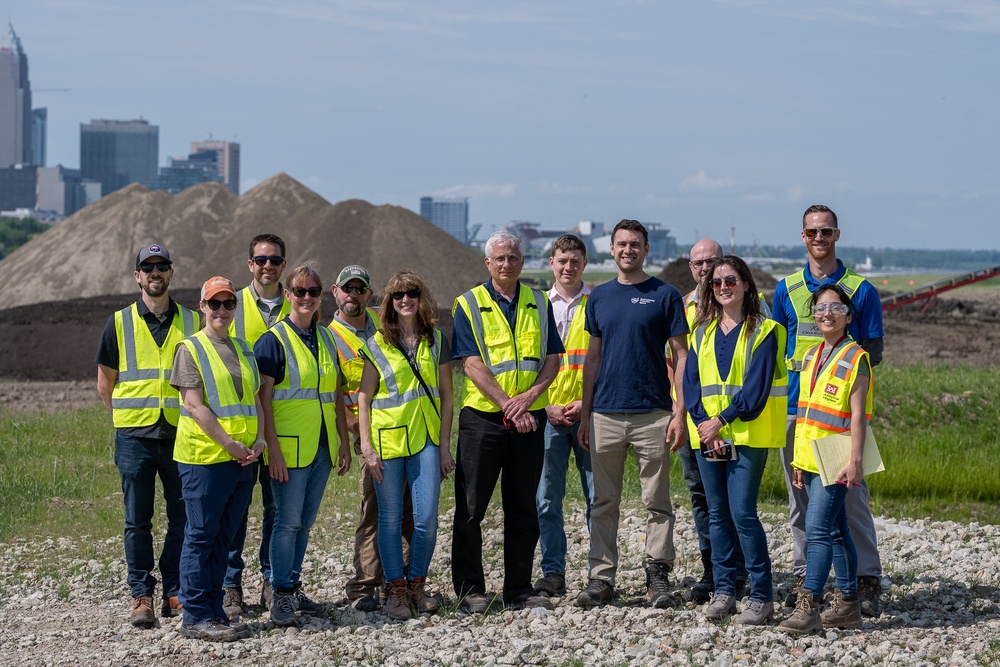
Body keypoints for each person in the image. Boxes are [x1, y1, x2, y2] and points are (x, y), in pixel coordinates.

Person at [772, 204, 885, 615]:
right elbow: (778, 346)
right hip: (797, 412)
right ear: (802, 236)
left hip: (840, 417)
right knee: (801, 502)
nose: (818, 238)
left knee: (851, 500)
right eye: (811, 232)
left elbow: (872, 351)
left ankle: (865, 580)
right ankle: (809, 577)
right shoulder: (785, 289)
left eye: (826, 231)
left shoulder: (861, 290)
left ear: (837, 235)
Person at [576, 220, 689, 609]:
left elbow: (681, 355)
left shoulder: (665, 295)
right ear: (611, 249)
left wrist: (679, 411)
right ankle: (601, 577)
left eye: (635, 244)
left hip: (653, 413)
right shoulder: (599, 297)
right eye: (622, 244)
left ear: (646, 249)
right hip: (605, 413)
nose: (628, 250)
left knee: (657, 501)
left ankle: (657, 573)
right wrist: (585, 413)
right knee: (603, 502)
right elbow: (592, 358)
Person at [451, 229, 563, 612]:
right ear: (488, 262)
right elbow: (471, 363)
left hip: (529, 420)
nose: (506, 263)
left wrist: (528, 400)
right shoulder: (468, 303)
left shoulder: (539, 301)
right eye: (499, 258)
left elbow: (552, 360)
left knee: (523, 508)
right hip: (483, 421)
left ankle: (518, 589)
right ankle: (470, 590)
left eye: (513, 257)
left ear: (522, 261)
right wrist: (508, 405)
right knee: (471, 509)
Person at [683, 256, 787, 625]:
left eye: (730, 280)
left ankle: (761, 596)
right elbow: (691, 385)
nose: (723, 287)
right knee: (717, 515)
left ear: (745, 284)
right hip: (708, 436)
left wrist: (720, 421)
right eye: (716, 282)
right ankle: (724, 591)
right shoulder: (700, 332)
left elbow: (755, 390)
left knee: (743, 514)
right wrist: (703, 424)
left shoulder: (766, 330)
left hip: (746, 435)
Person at [95, 243, 195, 627]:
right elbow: (105, 384)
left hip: (180, 434)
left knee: (183, 516)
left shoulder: (192, 321)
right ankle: (141, 595)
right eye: (148, 267)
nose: (155, 272)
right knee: (137, 521)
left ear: (171, 272)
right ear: (137, 275)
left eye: (162, 266)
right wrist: (126, 420)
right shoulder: (118, 323)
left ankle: (175, 590)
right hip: (134, 438)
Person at [255, 265, 352, 625]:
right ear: (289, 295)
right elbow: (263, 400)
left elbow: (335, 394)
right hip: (289, 449)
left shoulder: (326, 338)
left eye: (313, 291)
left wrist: (343, 442)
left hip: (322, 446)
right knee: (286, 522)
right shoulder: (273, 340)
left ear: (321, 295)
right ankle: (280, 594)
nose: (307, 297)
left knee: (305, 523)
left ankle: (292, 587)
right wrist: (273, 451)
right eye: (299, 291)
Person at [171, 276, 265, 641]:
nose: (222, 310)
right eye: (214, 303)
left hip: (241, 459)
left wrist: (258, 442)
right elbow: (194, 405)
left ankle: (214, 610)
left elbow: (254, 399)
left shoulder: (243, 348)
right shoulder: (190, 349)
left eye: (228, 303)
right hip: (206, 459)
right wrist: (229, 444)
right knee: (201, 536)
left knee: (224, 537)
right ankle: (195, 615)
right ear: (202, 307)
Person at [357, 271, 455, 620]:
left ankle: (417, 584)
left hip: (426, 438)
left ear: (421, 297)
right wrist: (367, 448)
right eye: (398, 295)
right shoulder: (377, 343)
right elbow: (364, 398)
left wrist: (445, 446)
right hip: (388, 442)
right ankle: (395, 590)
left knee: (426, 518)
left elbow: (447, 397)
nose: (405, 300)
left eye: (412, 293)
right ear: (390, 302)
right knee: (389, 519)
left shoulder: (437, 340)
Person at [778, 284, 873, 634]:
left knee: (817, 528)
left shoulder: (856, 357)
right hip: (810, 455)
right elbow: (806, 414)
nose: (826, 314)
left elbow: (859, 415)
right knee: (836, 529)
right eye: (820, 309)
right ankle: (847, 605)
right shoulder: (812, 356)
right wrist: (798, 461)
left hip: (837, 453)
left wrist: (855, 460)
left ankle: (809, 606)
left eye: (835, 308)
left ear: (848, 316)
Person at [330, 265, 414, 613]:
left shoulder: (385, 323)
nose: (353, 295)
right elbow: (334, 394)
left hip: (402, 432)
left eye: (360, 289)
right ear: (335, 292)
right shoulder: (329, 338)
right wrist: (356, 435)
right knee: (374, 513)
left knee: (407, 511)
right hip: (368, 437)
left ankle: (399, 582)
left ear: (369, 293)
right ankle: (364, 585)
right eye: (347, 288)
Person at [223, 233, 291, 617]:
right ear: (250, 264)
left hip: (285, 426)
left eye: (274, 260)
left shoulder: (298, 303)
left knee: (277, 509)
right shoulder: (232, 305)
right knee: (236, 508)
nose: (268, 266)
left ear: (283, 265)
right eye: (261, 260)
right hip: (245, 425)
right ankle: (230, 585)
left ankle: (271, 581)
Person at [533, 234, 594, 598]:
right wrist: (545, 406)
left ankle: (598, 574)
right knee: (546, 499)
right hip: (549, 414)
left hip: (588, 415)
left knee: (597, 498)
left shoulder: (597, 302)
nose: (568, 267)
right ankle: (553, 572)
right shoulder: (537, 306)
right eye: (562, 261)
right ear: (551, 263)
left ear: (584, 264)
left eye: (575, 261)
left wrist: (587, 405)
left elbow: (606, 359)